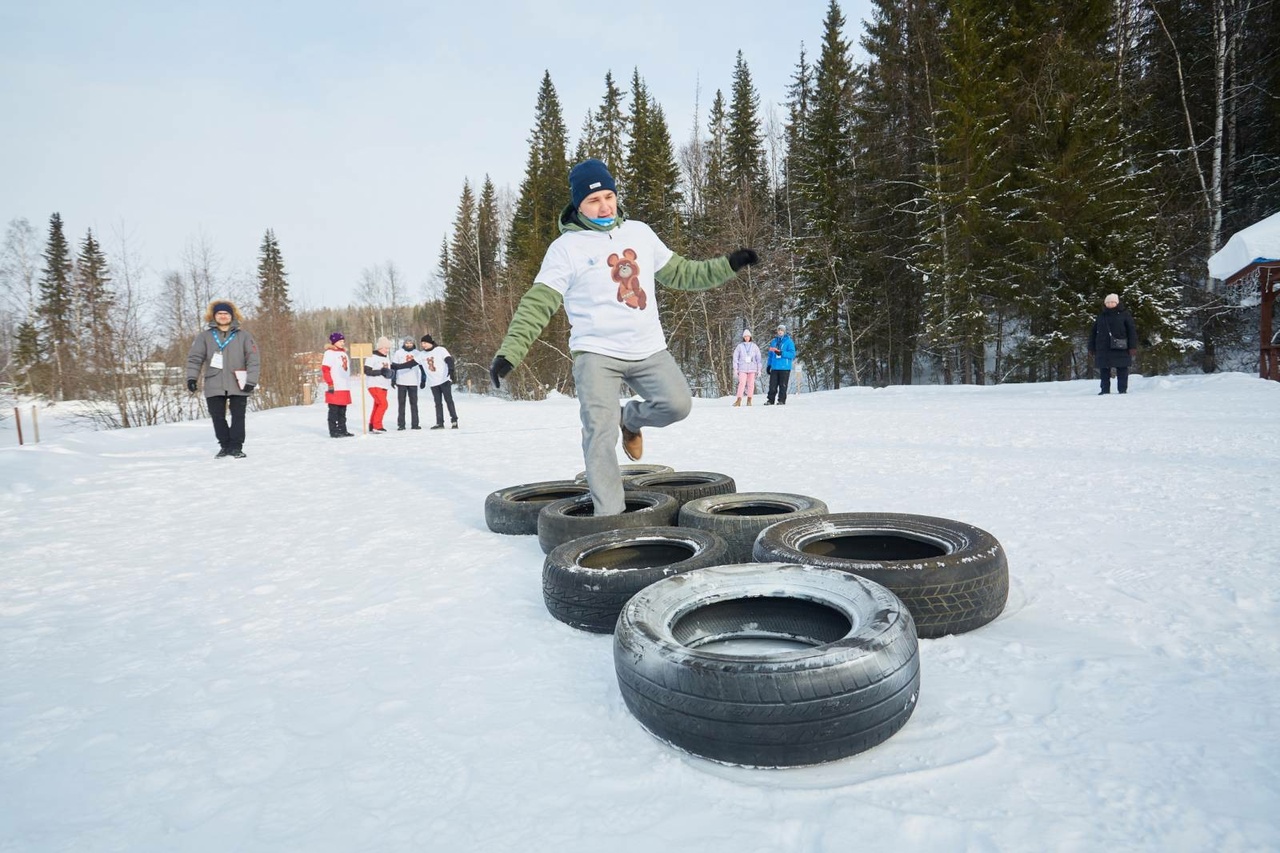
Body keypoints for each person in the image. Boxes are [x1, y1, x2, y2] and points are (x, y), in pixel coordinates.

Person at [489, 157, 760, 515]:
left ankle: (630, 418)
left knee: (678, 405)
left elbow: (682, 273)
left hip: (649, 350)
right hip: (596, 355)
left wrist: (729, 264)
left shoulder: (640, 233)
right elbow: (538, 303)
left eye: (608, 196)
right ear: (578, 205)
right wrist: (510, 352)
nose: (603, 206)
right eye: (593, 200)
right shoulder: (566, 249)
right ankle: (610, 520)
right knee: (600, 434)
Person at [186, 299, 260, 459]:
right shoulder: (204, 337)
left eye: (226, 313)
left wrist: (251, 381)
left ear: (232, 316)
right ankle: (225, 446)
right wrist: (192, 378)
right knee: (217, 417)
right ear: (214, 316)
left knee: (238, 416)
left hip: (238, 382)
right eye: (219, 313)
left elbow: (253, 359)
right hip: (214, 382)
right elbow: (195, 358)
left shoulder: (244, 336)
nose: (223, 316)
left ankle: (236, 447)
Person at [1088, 293, 1138, 395]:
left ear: (1117, 303)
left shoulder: (1125, 315)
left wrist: (1132, 346)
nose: (1110, 304)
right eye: (1108, 302)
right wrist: (1091, 347)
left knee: (1122, 369)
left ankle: (1122, 390)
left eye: (1112, 302)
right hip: (1103, 347)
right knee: (1104, 370)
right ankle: (1105, 390)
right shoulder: (1101, 316)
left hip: (1120, 346)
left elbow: (1131, 331)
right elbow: (1093, 332)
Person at [419, 334, 459, 429]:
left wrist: (451, 370)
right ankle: (440, 423)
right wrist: (396, 366)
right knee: (437, 403)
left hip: (444, 379)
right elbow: (414, 365)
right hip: (433, 382)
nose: (423, 345)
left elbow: (449, 359)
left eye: (425, 343)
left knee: (448, 400)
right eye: (422, 343)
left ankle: (454, 420)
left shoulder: (440, 350)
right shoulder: (421, 355)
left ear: (430, 342)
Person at [322, 332, 354, 437]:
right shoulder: (329, 353)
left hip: (344, 385)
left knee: (342, 411)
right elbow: (325, 369)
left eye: (343, 341)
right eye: (340, 341)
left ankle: (342, 429)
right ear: (334, 341)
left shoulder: (344, 353)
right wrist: (330, 383)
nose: (342, 343)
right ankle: (333, 430)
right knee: (334, 410)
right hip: (335, 385)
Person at [391, 336, 426, 430]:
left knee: (414, 404)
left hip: (413, 382)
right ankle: (401, 424)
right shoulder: (398, 353)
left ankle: (415, 424)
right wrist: (393, 379)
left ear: (413, 343)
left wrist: (423, 380)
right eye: (407, 343)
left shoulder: (417, 353)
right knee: (401, 404)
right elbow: (393, 367)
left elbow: (423, 368)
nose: (409, 344)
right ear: (404, 343)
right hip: (401, 381)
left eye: (410, 343)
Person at [363, 336, 393, 433]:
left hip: (384, 385)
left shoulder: (386, 358)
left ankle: (372, 424)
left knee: (377, 405)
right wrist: (381, 372)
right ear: (380, 347)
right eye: (385, 348)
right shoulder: (372, 356)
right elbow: (367, 371)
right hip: (374, 384)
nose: (387, 350)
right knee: (383, 404)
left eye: (388, 348)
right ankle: (377, 426)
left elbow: (387, 371)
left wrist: (391, 375)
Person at [765, 324, 797, 405]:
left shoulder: (789, 341)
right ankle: (770, 400)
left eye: (781, 330)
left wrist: (782, 353)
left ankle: (781, 400)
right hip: (775, 367)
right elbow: (770, 355)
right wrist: (769, 365)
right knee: (772, 385)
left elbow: (792, 354)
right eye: (779, 330)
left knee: (783, 385)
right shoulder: (774, 341)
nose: (780, 332)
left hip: (784, 367)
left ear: (784, 332)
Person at [732, 329, 762, 407]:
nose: (746, 338)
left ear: (750, 337)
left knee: (751, 384)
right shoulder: (740, 346)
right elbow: (735, 358)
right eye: (745, 336)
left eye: (748, 336)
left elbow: (758, 358)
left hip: (752, 368)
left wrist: (759, 369)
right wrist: (735, 369)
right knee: (741, 383)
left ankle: (749, 400)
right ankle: (738, 400)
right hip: (742, 368)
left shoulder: (754, 346)